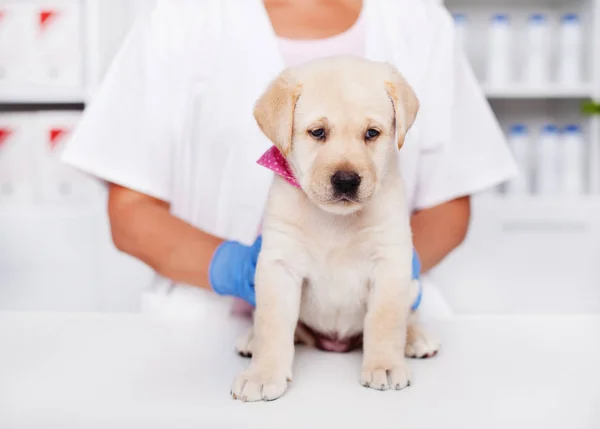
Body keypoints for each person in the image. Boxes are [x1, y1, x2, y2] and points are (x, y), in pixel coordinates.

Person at [61, 0, 517, 315]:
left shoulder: (415, 20)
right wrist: (239, 271)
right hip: (212, 325)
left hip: (370, 328)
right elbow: (131, 212)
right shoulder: (185, 16)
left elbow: (450, 201)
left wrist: (394, 274)